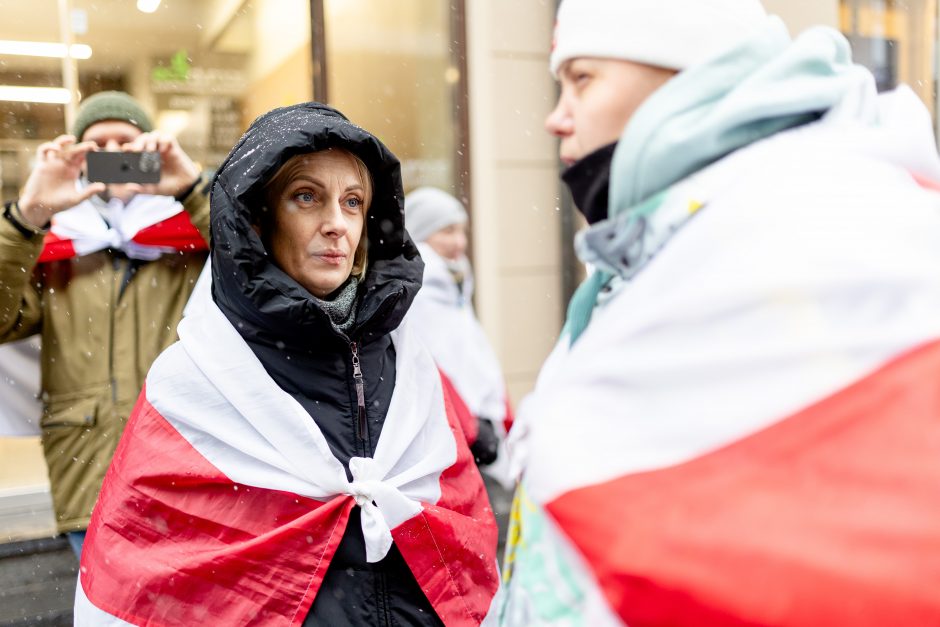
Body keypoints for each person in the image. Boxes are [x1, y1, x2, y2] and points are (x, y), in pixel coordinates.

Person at [501, 0, 940, 624]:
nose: (556, 117)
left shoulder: (804, 224)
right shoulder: (660, 255)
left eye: (583, 78)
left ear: (686, 75)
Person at [74, 103, 500, 625]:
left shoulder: (405, 356)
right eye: (306, 197)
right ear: (259, 217)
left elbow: (461, 538)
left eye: (352, 202)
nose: (336, 225)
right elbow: (142, 579)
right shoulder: (192, 378)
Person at [0, 91, 209, 557]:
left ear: (152, 151)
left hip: (189, 468)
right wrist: (27, 214)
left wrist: (192, 188)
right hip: (87, 468)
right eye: (97, 145)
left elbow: (262, 274)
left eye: (127, 143)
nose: (113, 155)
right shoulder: (51, 244)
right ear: (76, 158)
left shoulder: (195, 233)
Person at [404, 187, 513, 482]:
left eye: (462, 231)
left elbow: (472, 356)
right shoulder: (419, 294)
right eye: (447, 231)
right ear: (420, 233)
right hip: (454, 436)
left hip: (478, 430)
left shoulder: (454, 286)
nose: (459, 242)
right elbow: (429, 366)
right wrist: (473, 429)